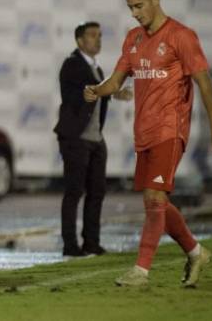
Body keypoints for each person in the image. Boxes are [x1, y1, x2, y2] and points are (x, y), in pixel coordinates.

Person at [84, 0, 212, 287]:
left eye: (138, 6)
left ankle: (141, 270)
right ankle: (195, 251)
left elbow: (204, 84)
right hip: (144, 132)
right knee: (157, 201)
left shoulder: (181, 36)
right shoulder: (133, 39)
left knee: (154, 197)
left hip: (170, 129)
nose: (134, 12)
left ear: (155, 0)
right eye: (130, 7)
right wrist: (97, 90)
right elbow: (116, 80)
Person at [54, 22, 132, 257]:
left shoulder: (96, 68)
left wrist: (115, 92)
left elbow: (97, 89)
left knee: (97, 191)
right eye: (92, 35)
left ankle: (91, 242)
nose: (97, 39)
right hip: (76, 138)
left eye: (99, 35)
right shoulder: (72, 64)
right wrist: (101, 90)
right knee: (74, 191)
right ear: (79, 41)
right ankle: (70, 244)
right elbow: (75, 93)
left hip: (95, 138)